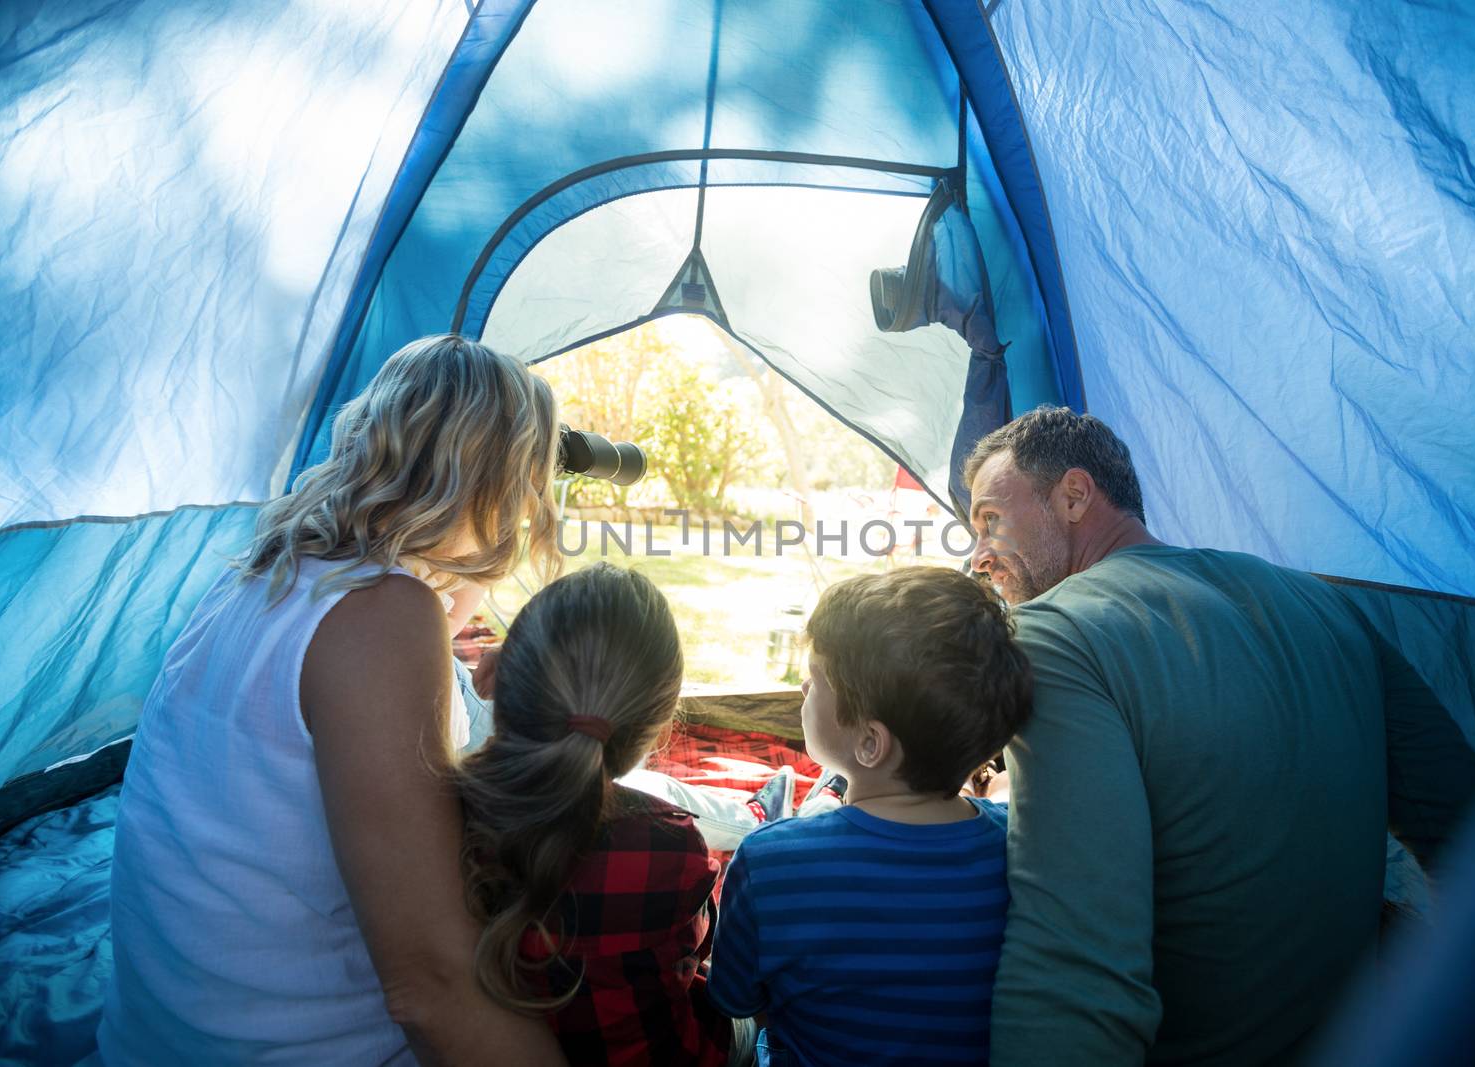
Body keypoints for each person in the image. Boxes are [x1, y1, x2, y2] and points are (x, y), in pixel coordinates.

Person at [965, 406, 1475, 1065]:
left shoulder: (1051, 637)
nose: (979, 555)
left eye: (989, 520)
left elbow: (1077, 965)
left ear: (1074, 494)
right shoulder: (1325, 604)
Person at [98, 335, 567, 1066]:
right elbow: (431, 985)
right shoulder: (382, 614)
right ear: (500, 494)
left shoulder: (263, 573)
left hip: (152, 1037)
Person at [707, 566, 1034, 1067]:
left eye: (815, 680)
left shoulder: (769, 860)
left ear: (869, 743)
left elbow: (736, 1000)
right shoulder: (1019, 847)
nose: (801, 687)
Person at [457, 562, 745, 1067]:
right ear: (657, 733)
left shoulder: (443, 816)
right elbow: (693, 960)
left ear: (495, 680)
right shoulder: (671, 846)